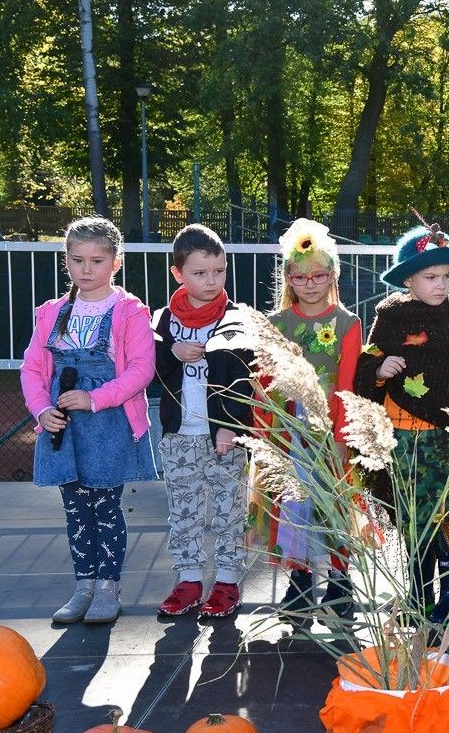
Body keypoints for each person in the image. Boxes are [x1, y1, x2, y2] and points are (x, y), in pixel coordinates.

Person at [354, 224, 449, 625]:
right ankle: (419, 597)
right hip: (402, 438)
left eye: (447, 276)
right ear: (408, 279)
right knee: (413, 522)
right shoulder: (391, 316)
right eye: (430, 277)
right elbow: (366, 363)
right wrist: (380, 369)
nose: (441, 285)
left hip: (448, 438)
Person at [20, 216, 157, 624]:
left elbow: (140, 369)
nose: (86, 269)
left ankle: (107, 588)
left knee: (105, 507)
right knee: (74, 508)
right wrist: (42, 410)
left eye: (97, 260)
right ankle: (83, 584)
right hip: (62, 425)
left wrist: (95, 398)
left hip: (107, 423)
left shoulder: (129, 311)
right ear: (66, 261)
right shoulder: (51, 312)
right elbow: (32, 368)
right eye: (77, 260)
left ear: (115, 262)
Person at [151, 224, 255, 619]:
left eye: (219, 271)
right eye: (200, 273)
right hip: (179, 436)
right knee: (184, 511)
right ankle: (189, 580)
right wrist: (173, 353)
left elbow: (246, 380)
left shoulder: (238, 318)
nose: (211, 281)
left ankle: (227, 581)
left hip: (224, 438)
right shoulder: (162, 322)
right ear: (179, 274)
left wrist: (231, 425)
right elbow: (150, 371)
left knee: (229, 511)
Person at [263, 218, 363, 625]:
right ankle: (300, 583)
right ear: (287, 276)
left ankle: (341, 583)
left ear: (333, 274)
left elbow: (347, 385)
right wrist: (270, 435)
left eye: (319, 275)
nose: (309, 283)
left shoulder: (347, 324)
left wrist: (341, 435)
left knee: (335, 504)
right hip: (290, 430)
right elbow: (266, 385)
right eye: (299, 275)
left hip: (330, 428)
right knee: (294, 505)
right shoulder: (277, 324)